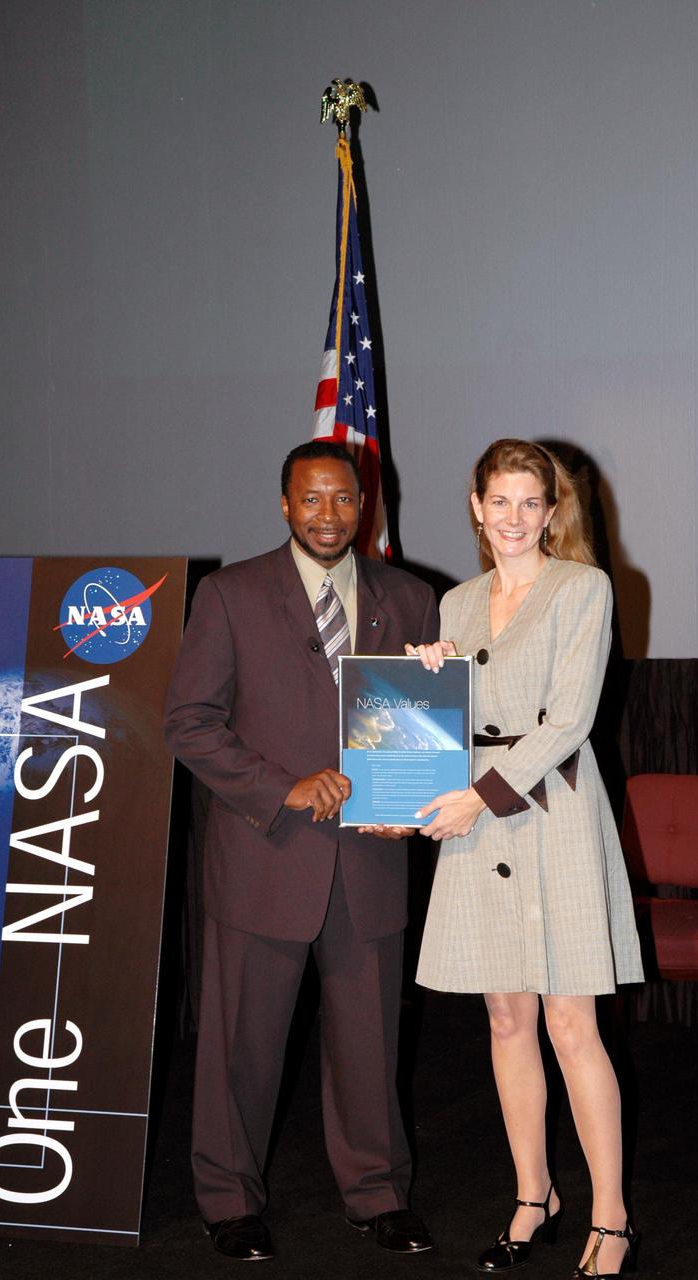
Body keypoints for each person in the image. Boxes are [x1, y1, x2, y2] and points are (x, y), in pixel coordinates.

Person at [165, 441, 438, 1262]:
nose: (329, 515)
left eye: (344, 499)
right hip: (266, 856)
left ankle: (378, 1194)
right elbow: (189, 724)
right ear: (284, 505)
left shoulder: (411, 598)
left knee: (369, 1046)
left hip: (370, 862)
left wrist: (415, 799)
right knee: (240, 1049)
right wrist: (280, 787)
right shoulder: (229, 595)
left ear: (365, 505)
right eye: (311, 499)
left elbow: (423, 724)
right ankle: (228, 1202)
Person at [407, 440, 644, 1278]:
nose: (513, 518)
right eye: (498, 501)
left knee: (570, 1025)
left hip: (550, 816)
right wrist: (429, 681)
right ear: (476, 507)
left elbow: (569, 719)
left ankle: (611, 1219)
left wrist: (477, 796)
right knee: (505, 1020)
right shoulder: (456, 602)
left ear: (551, 511)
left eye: (529, 502)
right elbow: (448, 721)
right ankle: (532, 1195)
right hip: (477, 824)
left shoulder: (582, 588)